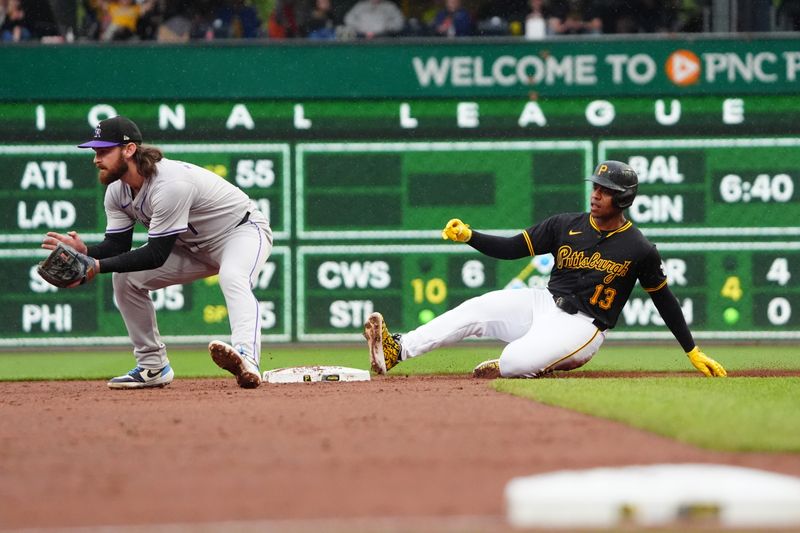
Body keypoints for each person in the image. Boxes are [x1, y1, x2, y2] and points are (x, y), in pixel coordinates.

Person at [364, 161, 727, 380]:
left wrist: (691, 350)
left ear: (625, 198)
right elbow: (511, 249)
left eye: (606, 190)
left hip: (584, 325)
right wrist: (470, 236)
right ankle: (398, 349)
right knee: (478, 307)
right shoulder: (565, 224)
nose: (596, 194)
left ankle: (533, 359)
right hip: (543, 304)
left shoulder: (638, 247)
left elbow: (664, 299)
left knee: (513, 362)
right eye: (596, 187)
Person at [41, 116, 273, 389]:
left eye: (104, 151)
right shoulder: (117, 191)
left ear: (129, 150)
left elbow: (156, 255)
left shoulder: (170, 184)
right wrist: (88, 251)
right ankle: (153, 366)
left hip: (241, 232)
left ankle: (247, 358)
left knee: (233, 276)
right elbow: (117, 246)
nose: (96, 159)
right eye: (95, 151)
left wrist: (95, 265)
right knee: (126, 279)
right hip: (192, 248)